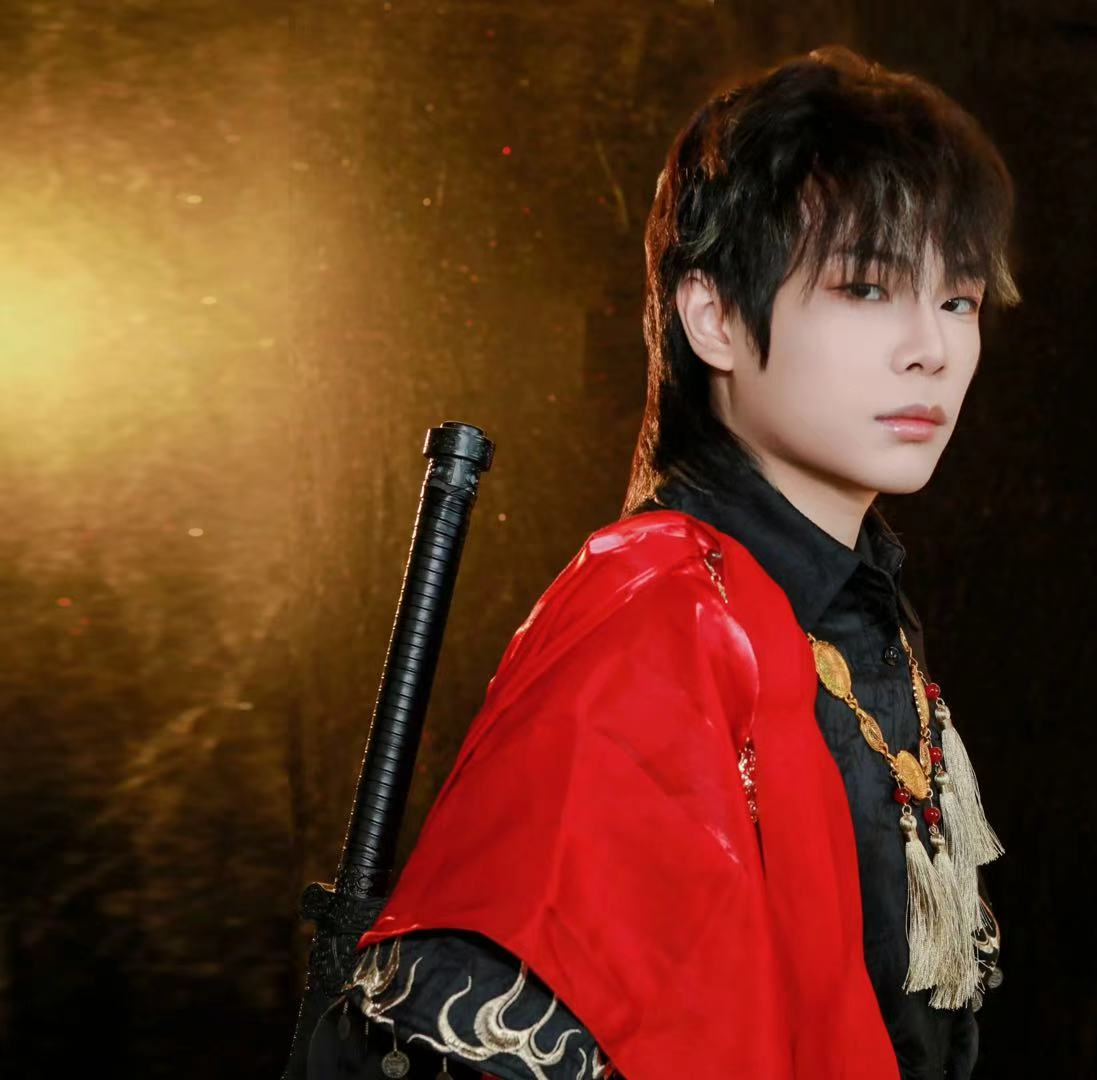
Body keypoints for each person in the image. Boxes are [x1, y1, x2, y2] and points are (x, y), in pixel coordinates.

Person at [307, 42, 1020, 1080]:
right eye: (867, 289)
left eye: (957, 299)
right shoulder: (656, 616)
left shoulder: (860, 611)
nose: (933, 349)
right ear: (714, 316)